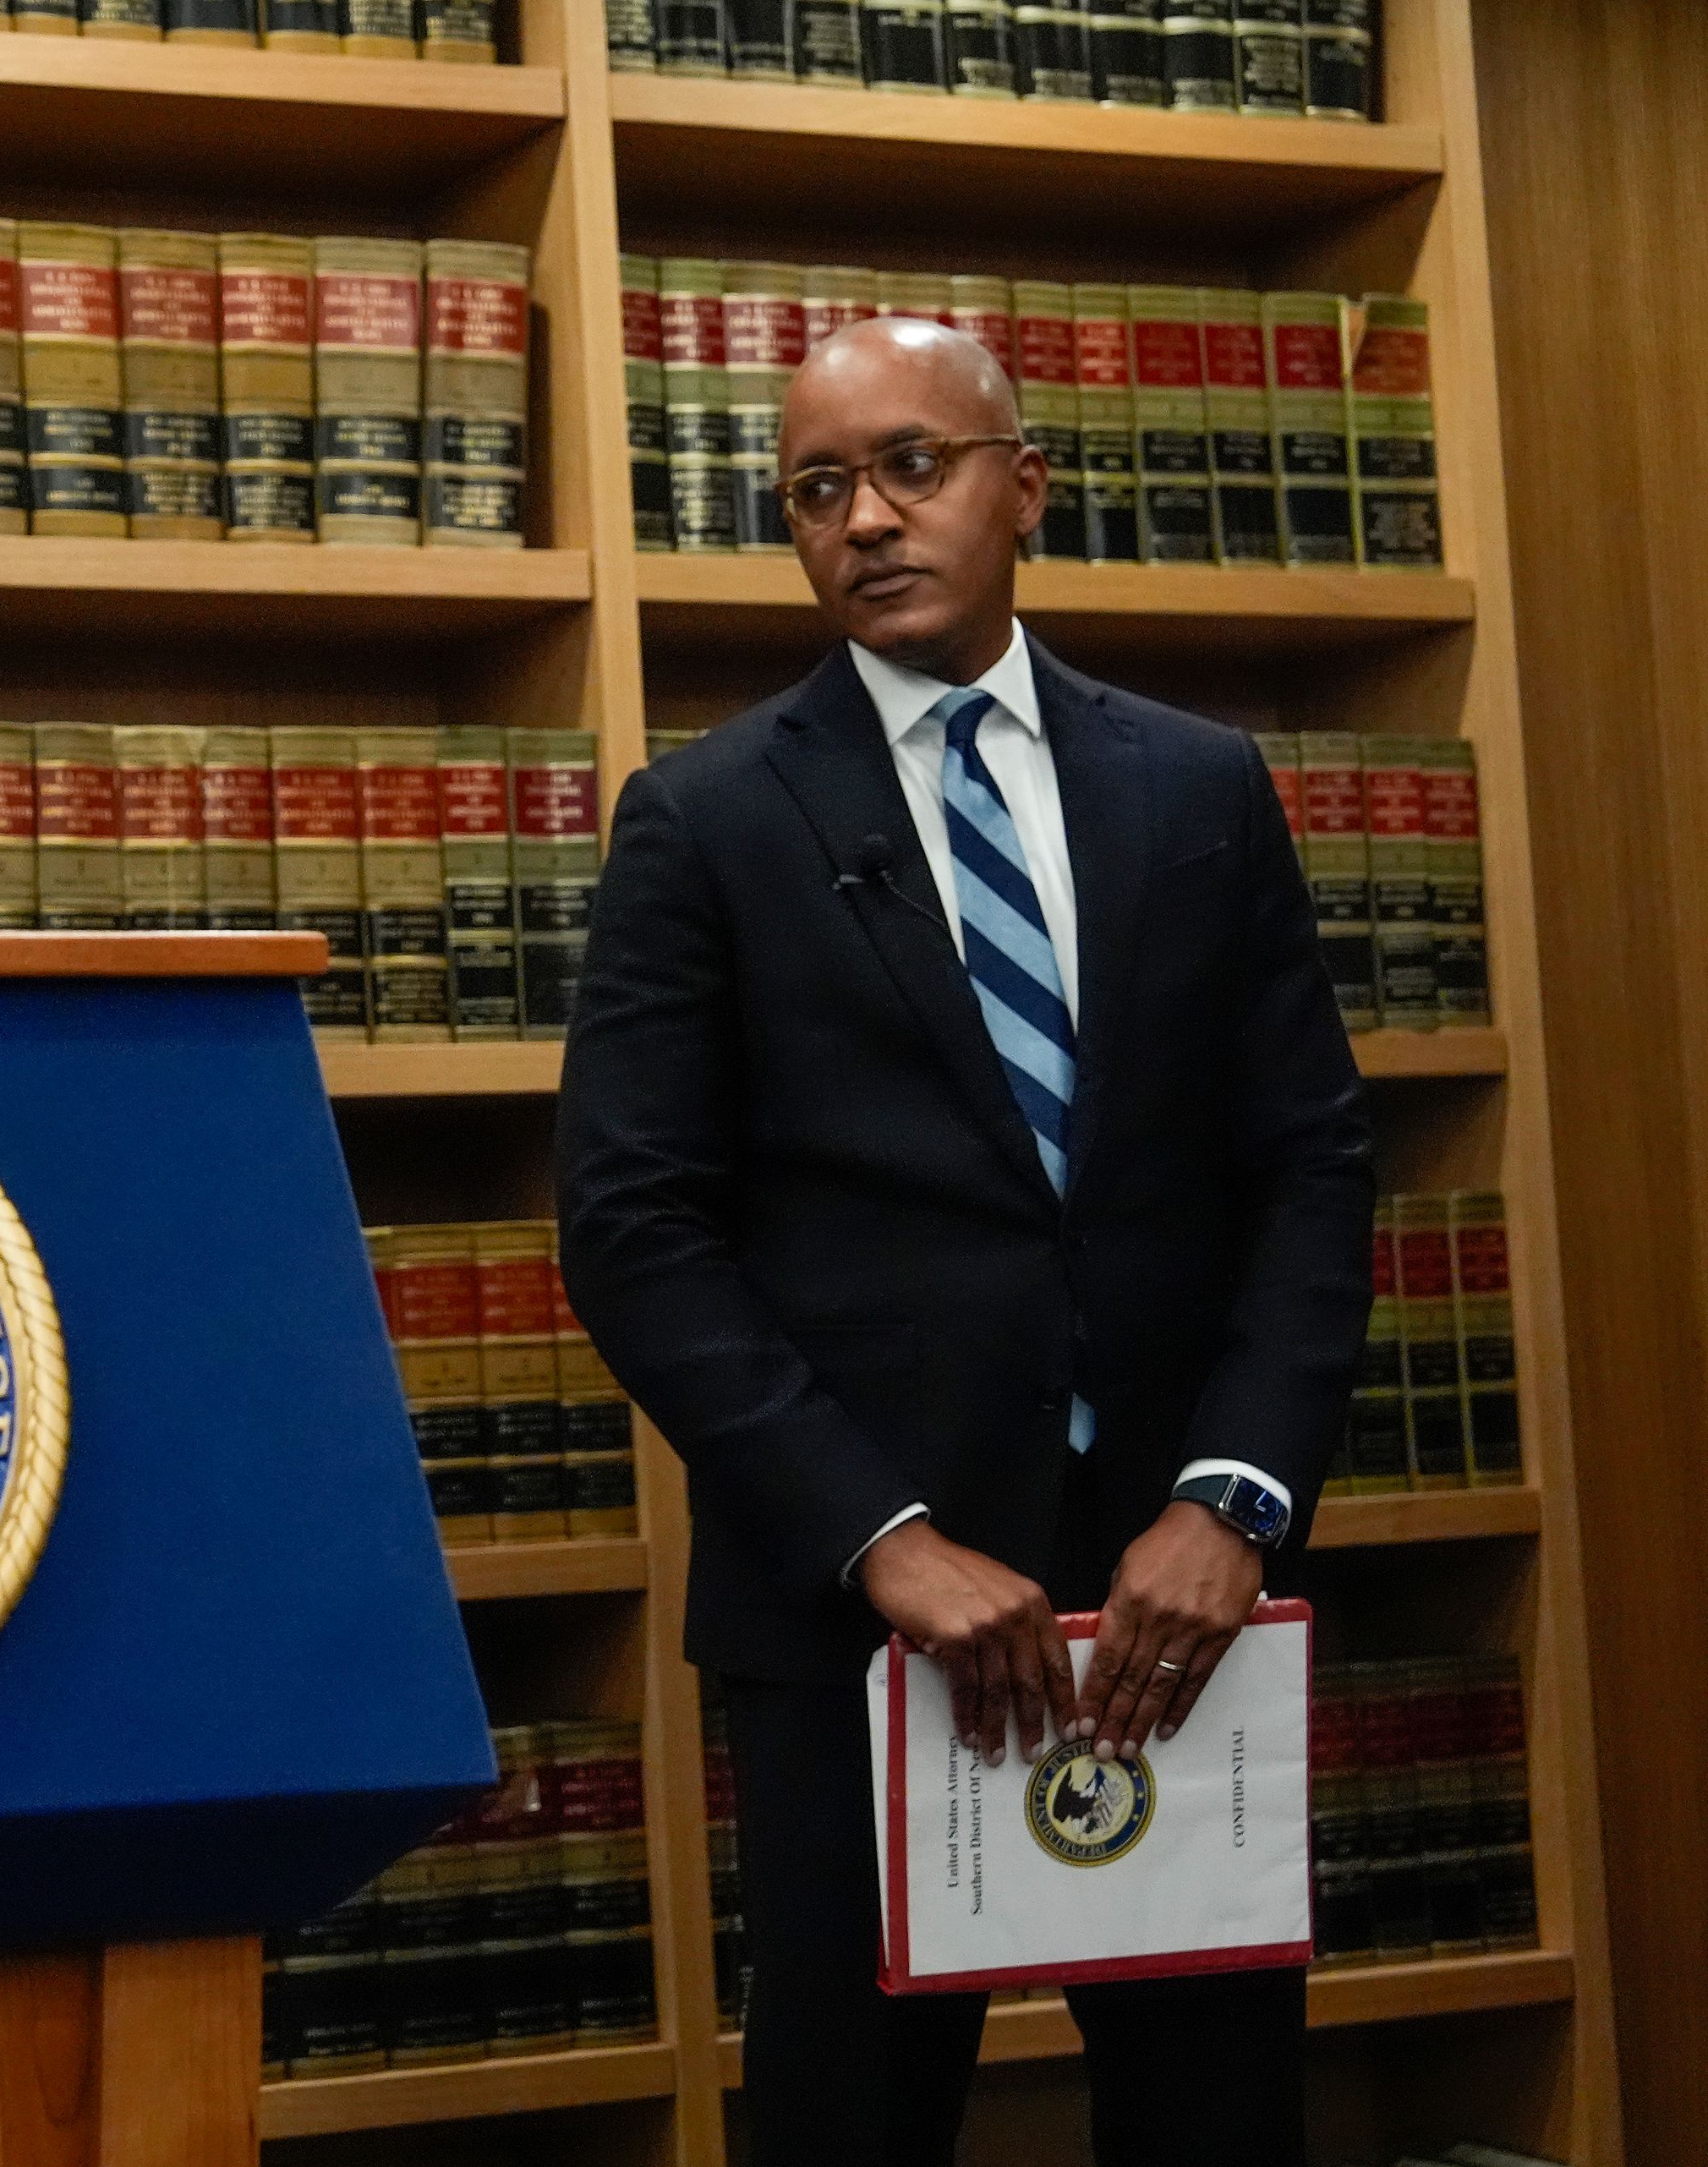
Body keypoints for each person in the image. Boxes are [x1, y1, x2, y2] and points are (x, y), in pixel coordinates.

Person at [555, 316, 1371, 2167]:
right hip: (863, 1626)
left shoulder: (1196, 785)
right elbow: (631, 1227)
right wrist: (887, 1540)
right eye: (818, 488)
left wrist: (1230, 1498)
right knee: (852, 2127)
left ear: (1025, 487)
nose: (866, 519)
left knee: (1219, 2122)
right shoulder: (704, 821)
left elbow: (1312, 1169)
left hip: (1183, 1613)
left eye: (913, 466)